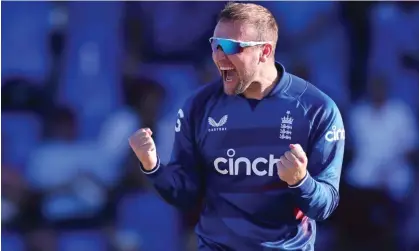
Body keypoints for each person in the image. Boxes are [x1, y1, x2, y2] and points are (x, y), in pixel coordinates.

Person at [128, 2, 345, 251]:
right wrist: (153, 166)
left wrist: (300, 181)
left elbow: (325, 206)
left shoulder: (317, 109)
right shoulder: (197, 107)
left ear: (264, 52)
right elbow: (184, 194)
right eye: (215, 45)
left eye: (231, 47)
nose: (219, 57)